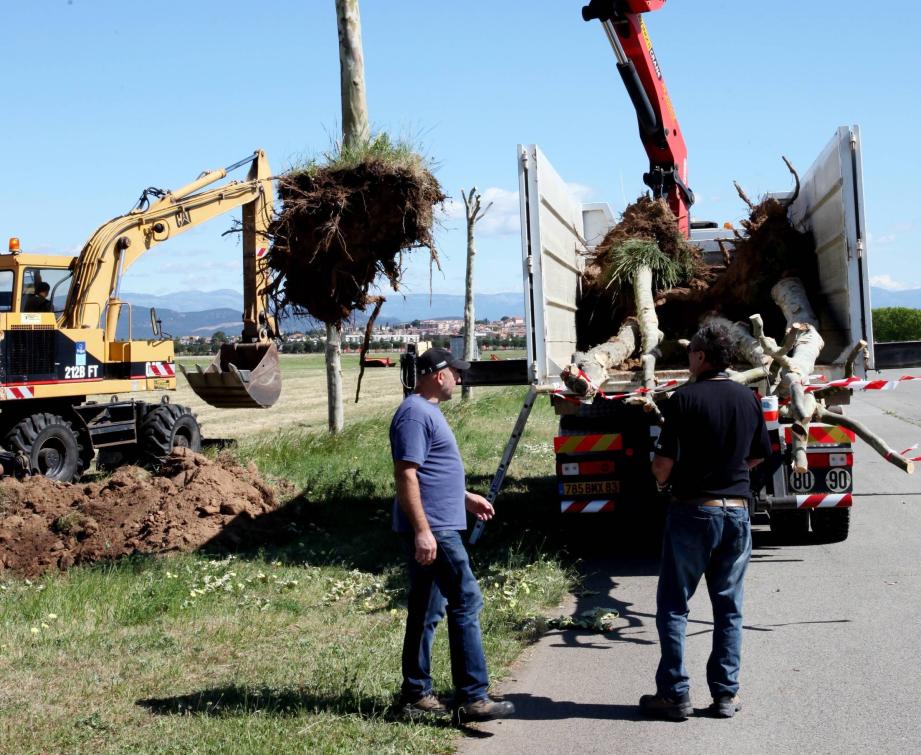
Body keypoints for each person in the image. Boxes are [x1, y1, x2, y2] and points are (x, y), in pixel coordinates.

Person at [640, 323, 771, 720]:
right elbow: (759, 454)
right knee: (728, 607)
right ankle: (725, 695)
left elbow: (663, 466)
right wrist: (729, 472)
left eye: (691, 353)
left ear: (700, 356)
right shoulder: (748, 398)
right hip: (736, 512)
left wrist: (663, 479)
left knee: (674, 605)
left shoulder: (684, 399)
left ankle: (674, 694)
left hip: (693, 511)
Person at [390, 346, 515, 723]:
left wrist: (464, 498)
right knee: (467, 599)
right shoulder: (413, 413)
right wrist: (424, 532)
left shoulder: (427, 412)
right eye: (455, 372)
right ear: (437, 374)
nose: (459, 378)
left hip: (441, 523)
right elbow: (406, 475)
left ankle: (415, 693)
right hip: (436, 530)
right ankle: (473, 696)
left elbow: (428, 473)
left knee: (427, 609)